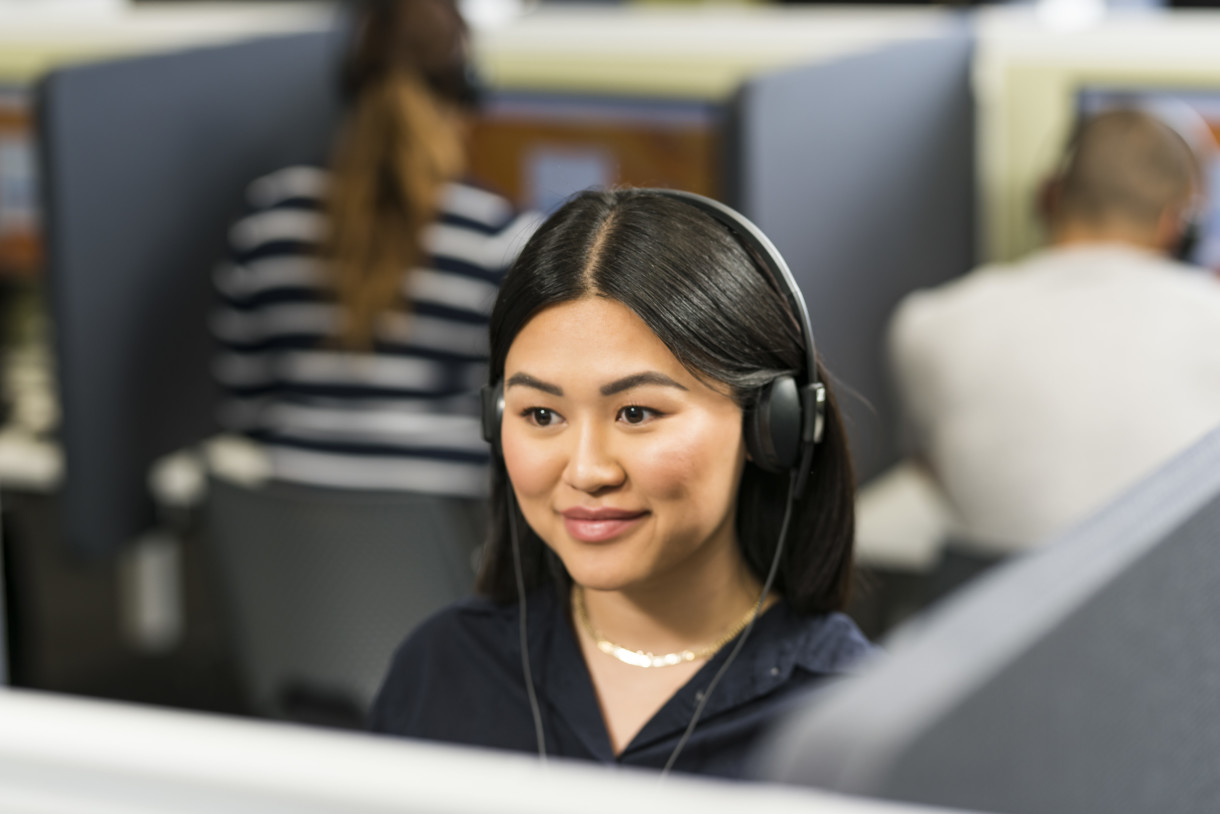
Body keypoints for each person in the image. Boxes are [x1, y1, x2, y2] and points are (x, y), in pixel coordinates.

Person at [370, 188, 876, 778]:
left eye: (636, 413)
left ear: (771, 426)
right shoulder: (442, 670)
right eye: (541, 415)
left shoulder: (848, 721)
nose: (587, 471)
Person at [210, 0, 539, 495]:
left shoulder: (268, 219)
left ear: (349, 86)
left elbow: (243, 404)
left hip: (293, 535)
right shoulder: (499, 237)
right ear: (464, 90)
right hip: (449, 540)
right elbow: (519, 416)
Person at [886, 106, 1220, 556]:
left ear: (1047, 197)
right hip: (1170, 607)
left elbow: (934, 471)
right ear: (1176, 226)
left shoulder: (928, 324)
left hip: (997, 617)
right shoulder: (1209, 315)